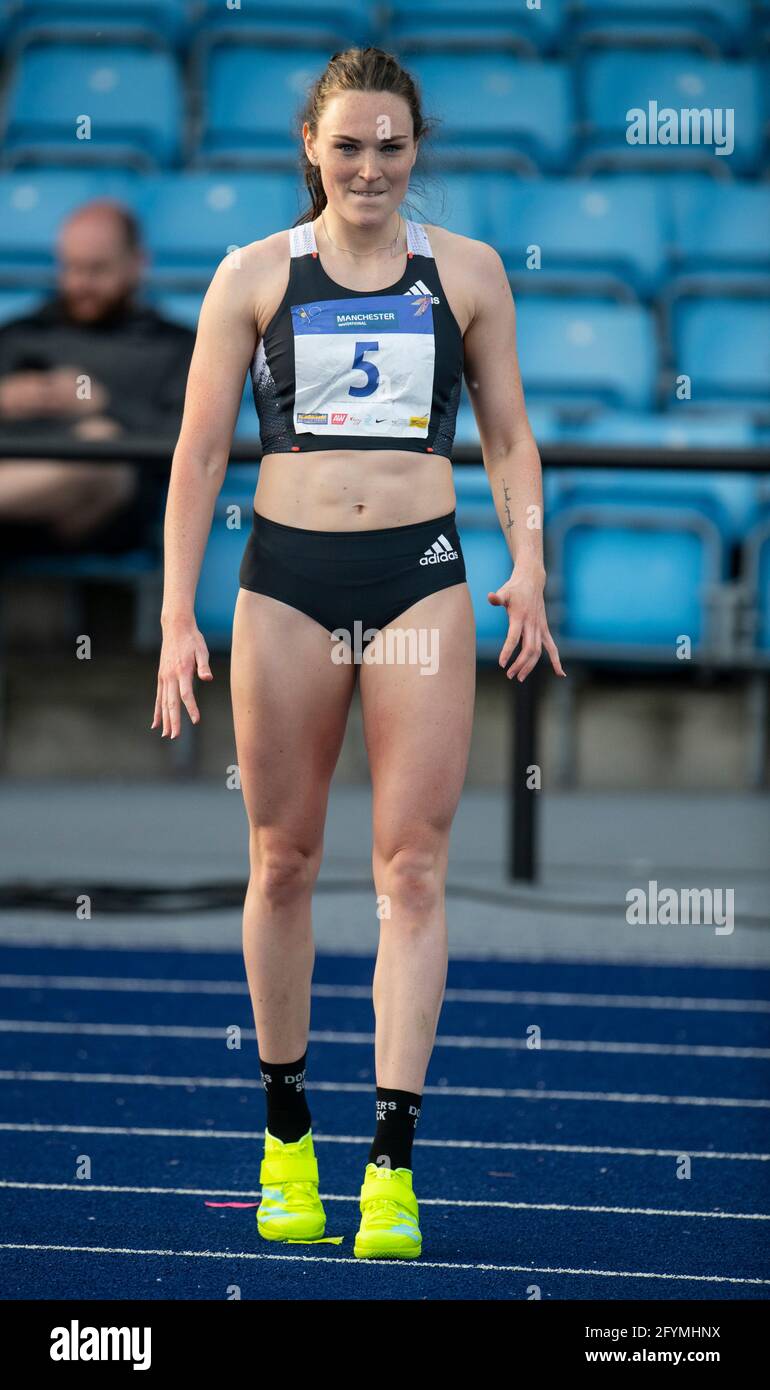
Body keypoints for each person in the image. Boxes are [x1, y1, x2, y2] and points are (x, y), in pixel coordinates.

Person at [152, 46, 564, 1261]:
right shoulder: (252, 278)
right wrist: (178, 612)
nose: (370, 167)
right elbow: (195, 458)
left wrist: (529, 562)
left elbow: (510, 442)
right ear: (310, 149)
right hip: (284, 582)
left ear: (416, 147)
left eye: (390, 146)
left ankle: (390, 1161)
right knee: (281, 858)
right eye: (348, 147)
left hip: (420, 580)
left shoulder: (470, 275)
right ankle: (286, 1132)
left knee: (413, 868)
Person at [0, 199, 195, 559]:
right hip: (14, 491)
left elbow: (188, 441)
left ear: (137, 264)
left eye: (96, 270)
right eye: (70, 268)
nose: (80, 283)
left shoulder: (174, 345)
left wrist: (103, 405)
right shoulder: (22, 333)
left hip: (105, 509)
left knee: (99, 442)